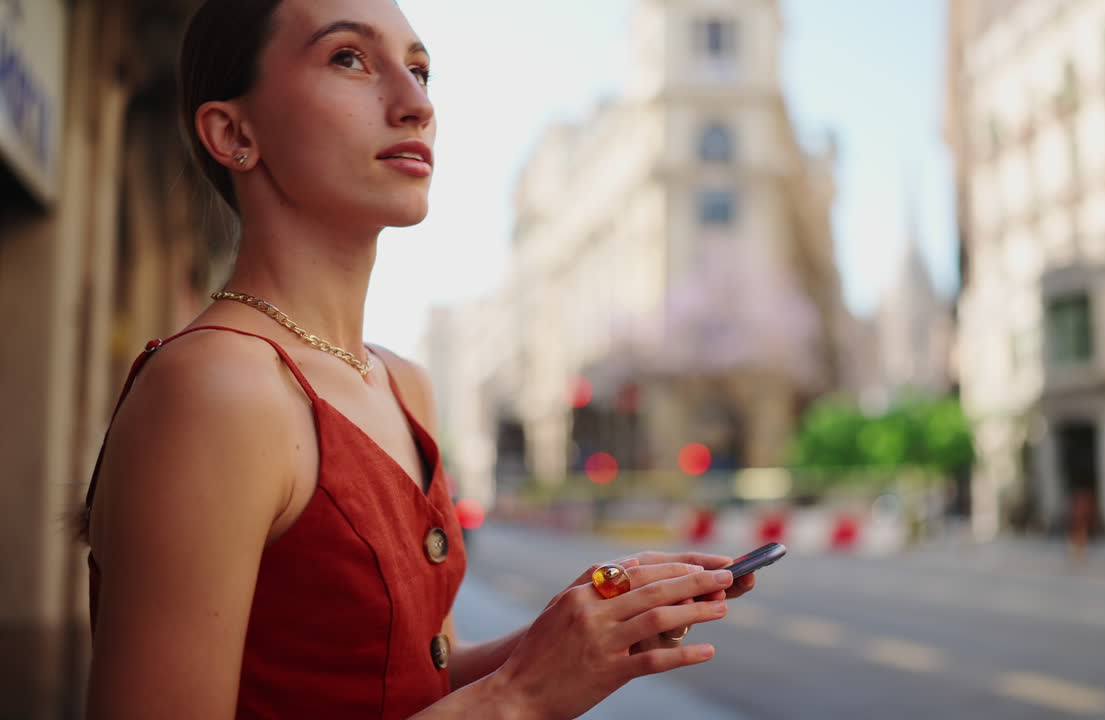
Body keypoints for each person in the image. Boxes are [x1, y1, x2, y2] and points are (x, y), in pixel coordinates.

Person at [79, 1, 754, 717]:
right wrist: (519, 696)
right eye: (349, 58)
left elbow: (402, 683)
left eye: (421, 70)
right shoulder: (214, 385)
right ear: (233, 132)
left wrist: (576, 631)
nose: (415, 105)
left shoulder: (402, 384)